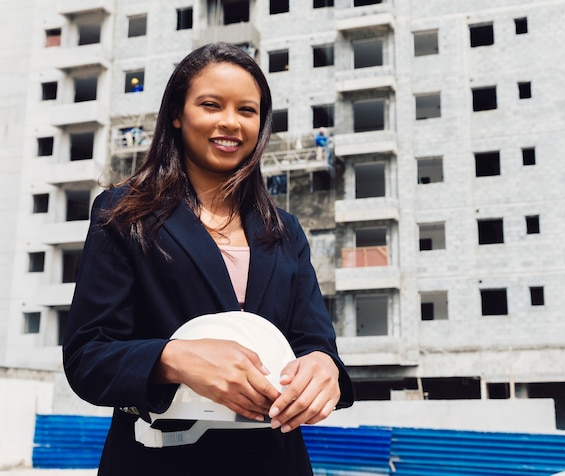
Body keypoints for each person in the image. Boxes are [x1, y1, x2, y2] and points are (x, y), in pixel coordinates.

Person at [63, 42, 354, 475]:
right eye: (211, 105)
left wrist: (323, 367)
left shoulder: (284, 230)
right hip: (159, 460)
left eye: (247, 111)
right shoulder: (123, 213)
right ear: (178, 114)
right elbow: (88, 355)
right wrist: (174, 358)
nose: (230, 123)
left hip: (275, 461)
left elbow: (313, 341)